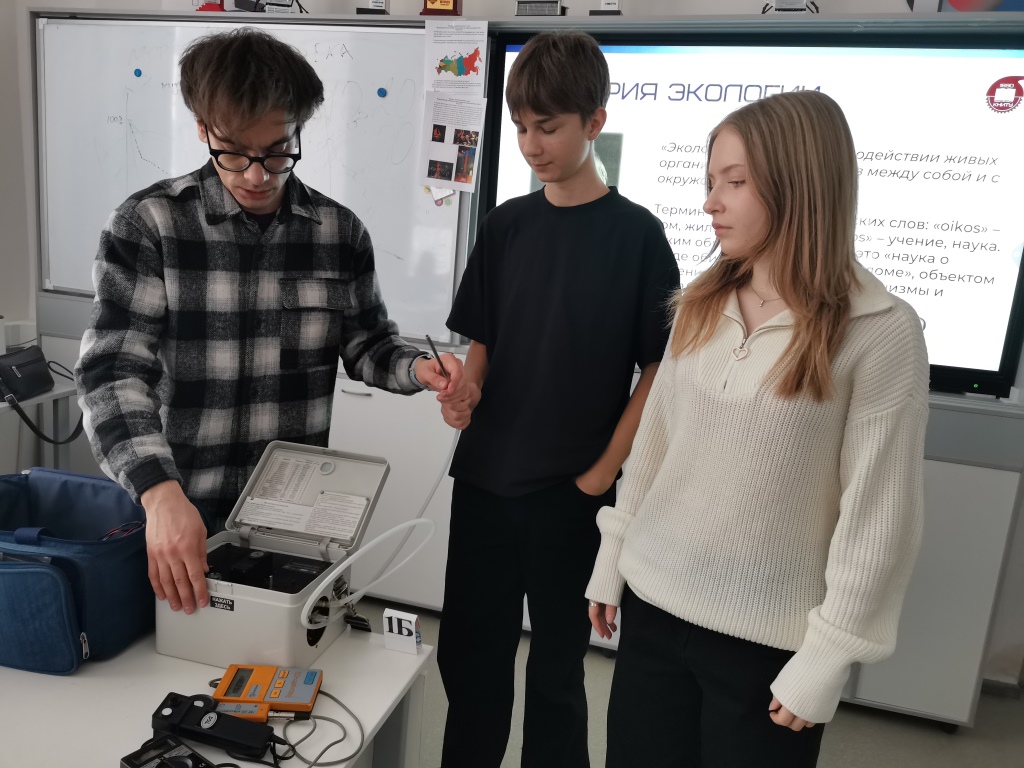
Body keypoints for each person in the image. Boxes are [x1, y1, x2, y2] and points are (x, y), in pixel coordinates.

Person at [585, 89, 929, 768]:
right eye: (711, 181)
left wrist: (829, 656)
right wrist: (611, 560)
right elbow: (654, 449)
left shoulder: (880, 331)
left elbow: (878, 517)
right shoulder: (698, 304)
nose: (711, 202)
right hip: (655, 608)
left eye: (735, 183)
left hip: (770, 648)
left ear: (800, 184)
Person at [75, 28, 461, 618]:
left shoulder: (339, 233)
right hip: (181, 511)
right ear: (203, 130)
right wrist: (158, 492)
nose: (257, 176)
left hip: (293, 517)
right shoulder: (149, 226)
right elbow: (112, 373)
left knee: (293, 664)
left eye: (278, 151)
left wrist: (419, 369)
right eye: (234, 152)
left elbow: (369, 346)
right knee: (170, 660)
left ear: (299, 129)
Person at [435, 31, 681, 768]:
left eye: (548, 127)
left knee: (556, 676)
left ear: (595, 121)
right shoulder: (505, 225)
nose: (531, 146)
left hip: (572, 497)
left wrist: (601, 475)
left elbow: (659, 371)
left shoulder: (638, 236)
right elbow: (484, 340)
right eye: (521, 128)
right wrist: (465, 391)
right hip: (485, 483)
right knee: (470, 663)